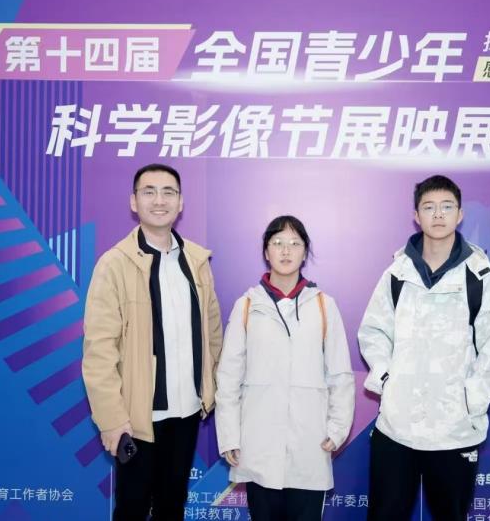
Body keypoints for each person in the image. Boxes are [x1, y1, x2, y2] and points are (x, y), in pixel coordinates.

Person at [359, 175, 490, 520]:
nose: (438, 214)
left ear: (460, 214)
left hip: (454, 431)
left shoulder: (479, 276)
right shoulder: (397, 273)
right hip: (396, 427)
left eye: (447, 206)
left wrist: (469, 400)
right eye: (429, 207)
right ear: (416, 216)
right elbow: (373, 331)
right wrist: (387, 380)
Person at [82, 163, 223, 521]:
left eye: (168, 192)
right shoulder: (114, 264)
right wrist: (112, 419)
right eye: (149, 192)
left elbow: (212, 333)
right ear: (134, 202)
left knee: (171, 507)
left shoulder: (197, 261)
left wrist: (211, 388)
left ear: (180, 203)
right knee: (131, 509)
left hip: (186, 411)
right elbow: (99, 351)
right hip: (136, 418)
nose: (159, 200)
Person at [215, 215, 355, 521]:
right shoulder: (247, 305)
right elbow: (228, 377)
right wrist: (230, 435)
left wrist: (337, 429)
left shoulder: (323, 305)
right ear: (266, 252)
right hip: (259, 442)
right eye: (277, 243)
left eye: (295, 243)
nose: (286, 250)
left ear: (305, 252)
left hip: (310, 442)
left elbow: (340, 375)